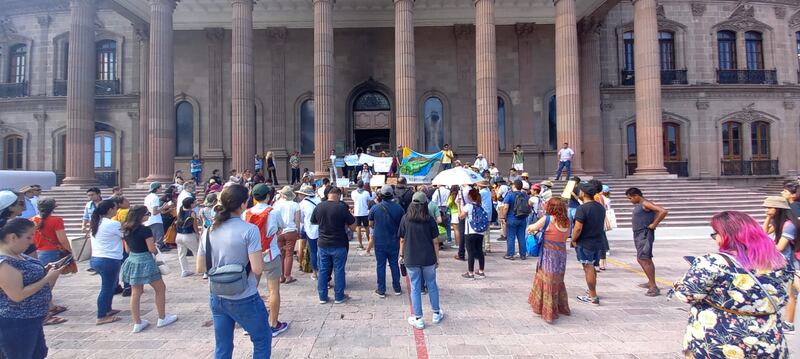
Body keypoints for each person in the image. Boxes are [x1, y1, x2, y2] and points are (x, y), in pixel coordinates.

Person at [672, 211, 791, 358]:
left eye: (716, 234)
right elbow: (784, 297)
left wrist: (678, 283)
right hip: (768, 341)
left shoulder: (712, 262)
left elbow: (687, 295)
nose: (715, 238)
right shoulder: (780, 261)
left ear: (726, 236)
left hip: (721, 341)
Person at [196, 184, 271, 358]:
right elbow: (258, 268)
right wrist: (259, 256)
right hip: (244, 296)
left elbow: (201, 268)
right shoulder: (249, 230)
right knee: (261, 339)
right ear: (243, 205)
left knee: (222, 346)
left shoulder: (208, 230)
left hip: (217, 295)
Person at [0, 218, 63, 359]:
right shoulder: (4, 262)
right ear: (13, 237)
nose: (31, 242)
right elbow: (17, 295)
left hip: (32, 318)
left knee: (38, 353)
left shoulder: (16, 254)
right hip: (16, 320)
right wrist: (47, 278)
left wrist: (45, 271)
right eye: (28, 237)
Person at [120, 206, 178, 333]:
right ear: (141, 216)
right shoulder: (145, 230)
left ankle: (137, 322)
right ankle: (162, 317)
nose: (149, 215)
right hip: (145, 260)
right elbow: (151, 249)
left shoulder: (126, 229)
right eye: (147, 213)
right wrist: (155, 245)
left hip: (133, 260)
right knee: (160, 288)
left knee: (136, 292)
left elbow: (127, 250)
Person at [243, 184, 289, 337]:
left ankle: (249, 324)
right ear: (268, 196)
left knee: (250, 289)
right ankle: (273, 324)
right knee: (273, 290)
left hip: (251, 255)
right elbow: (281, 228)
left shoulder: (246, 213)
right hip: (270, 253)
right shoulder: (273, 212)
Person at [400, 192, 444, 329]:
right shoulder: (430, 220)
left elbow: (402, 239)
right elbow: (435, 241)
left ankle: (418, 318)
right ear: (425, 204)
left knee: (415, 287)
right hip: (428, 257)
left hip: (411, 257)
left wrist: (401, 255)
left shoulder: (406, 218)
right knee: (432, 284)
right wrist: (437, 258)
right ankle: (436, 313)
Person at [527, 198, 571, 324]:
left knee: (546, 279)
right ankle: (560, 306)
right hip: (561, 254)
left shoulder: (547, 219)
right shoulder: (567, 221)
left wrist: (531, 227)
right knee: (557, 280)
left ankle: (547, 310)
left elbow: (532, 228)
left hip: (548, 254)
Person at [762, 196, 800, 333]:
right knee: (791, 293)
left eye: (770, 207)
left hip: (793, 264)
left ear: (778, 209)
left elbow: (780, 248)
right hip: (787, 264)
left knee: (792, 293)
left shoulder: (788, 225)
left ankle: (789, 324)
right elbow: (764, 233)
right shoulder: (780, 223)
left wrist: (763, 249)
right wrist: (768, 218)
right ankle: (789, 324)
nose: (767, 210)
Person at [311, 186, 355, 304]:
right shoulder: (341, 207)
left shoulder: (319, 206)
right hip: (339, 243)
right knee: (339, 270)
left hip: (323, 243)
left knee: (323, 270)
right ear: (338, 195)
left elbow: (313, 221)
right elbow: (353, 226)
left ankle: (322, 297)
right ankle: (339, 297)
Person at [31, 198, 70, 326]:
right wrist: (70, 251)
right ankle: (46, 311)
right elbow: (62, 239)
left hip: (37, 251)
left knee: (42, 281)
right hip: (51, 252)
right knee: (49, 283)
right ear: (54, 207)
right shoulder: (56, 220)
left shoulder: (32, 220)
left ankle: (50, 305)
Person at [624, 187, 668, 296]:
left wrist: (654, 224)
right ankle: (650, 281)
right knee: (642, 258)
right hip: (639, 234)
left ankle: (653, 286)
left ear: (636, 196)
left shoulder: (645, 203)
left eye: (630, 198)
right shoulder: (642, 204)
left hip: (644, 234)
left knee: (644, 259)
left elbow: (663, 211)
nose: (630, 201)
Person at [89, 199, 124, 325]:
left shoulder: (97, 222)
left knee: (111, 285)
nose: (116, 210)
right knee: (107, 288)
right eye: (115, 208)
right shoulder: (112, 224)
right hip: (108, 259)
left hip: (97, 258)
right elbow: (125, 234)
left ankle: (107, 309)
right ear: (110, 210)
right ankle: (101, 315)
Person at [570, 182, 606, 305]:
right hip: (597, 242)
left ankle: (593, 296)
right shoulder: (600, 207)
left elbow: (578, 228)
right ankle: (590, 292)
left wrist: (573, 239)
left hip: (585, 242)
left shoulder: (582, 208)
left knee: (588, 267)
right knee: (592, 267)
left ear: (583, 193)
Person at [366, 186, 405, 297]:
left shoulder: (375, 208)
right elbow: (402, 224)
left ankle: (381, 289)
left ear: (381, 195)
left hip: (380, 241)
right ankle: (397, 288)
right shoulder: (399, 208)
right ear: (392, 194)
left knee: (380, 265)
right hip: (394, 240)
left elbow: (370, 224)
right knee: (394, 264)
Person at [274, 186, 301, 283]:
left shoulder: (276, 204)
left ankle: (281, 276)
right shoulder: (295, 205)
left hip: (280, 231)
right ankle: (288, 275)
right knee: (289, 254)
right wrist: (298, 230)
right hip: (291, 230)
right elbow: (297, 220)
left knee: (281, 254)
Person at [459, 188, 486, 279]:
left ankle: (470, 273)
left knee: (470, 253)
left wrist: (458, 205)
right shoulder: (480, 206)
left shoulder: (468, 206)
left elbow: (461, 217)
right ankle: (481, 271)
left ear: (470, 196)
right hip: (480, 232)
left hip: (470, 232)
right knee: (479, 251)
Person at [297, 185, 321, 279]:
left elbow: (301, 219)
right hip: (321, 228)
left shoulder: (302, 204)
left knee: (313, 251)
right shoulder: (319, 200)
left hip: (310, 229)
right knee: (321, 251)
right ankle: (322, 270)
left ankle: (315, 272)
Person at [502, 180, 529, 260]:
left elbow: (506, 207)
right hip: (523, 218)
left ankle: (510, 254)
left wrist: (503, 217)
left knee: (511, 237)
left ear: (514, 186)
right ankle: (523, 254)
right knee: (521, 237)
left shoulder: (510, 195)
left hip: (511, 218)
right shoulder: (525, 195)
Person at [175, 197, 200, 277]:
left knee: (181, 254)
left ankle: (184, 270)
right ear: (191, 204)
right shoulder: (192, 213)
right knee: (197, 252)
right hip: (188, 235)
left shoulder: (180, 211)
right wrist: (197, 234)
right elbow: (195, 225)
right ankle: (202, 270)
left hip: (179, 235)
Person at [144, 182, 170, 252]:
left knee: (151, 242)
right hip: (156, 221)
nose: (161, 189)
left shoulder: (147, 197)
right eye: (160, 187)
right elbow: (154, 212)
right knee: (158, 243)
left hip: (148, 221)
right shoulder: (155, 197)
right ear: (157, 188)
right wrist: (164, 207)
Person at [351, 181, 373, 250]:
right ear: (363, 185)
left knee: (358, 228)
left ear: (357, 185)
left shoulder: (353, 192)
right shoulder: (366, 193)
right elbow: (369, 200)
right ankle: (370, 242)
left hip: (357, 212)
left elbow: (353, 200)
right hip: (365, 212)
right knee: (367, 227)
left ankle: (360, 244)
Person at [478, 181, 493, 253]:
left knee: (482, 230)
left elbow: (477, 201)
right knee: (487, 230)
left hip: (483, 212)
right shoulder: (488, 191)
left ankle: (483, 248)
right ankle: (488, 246)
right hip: (489, 212)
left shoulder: (481, 192)